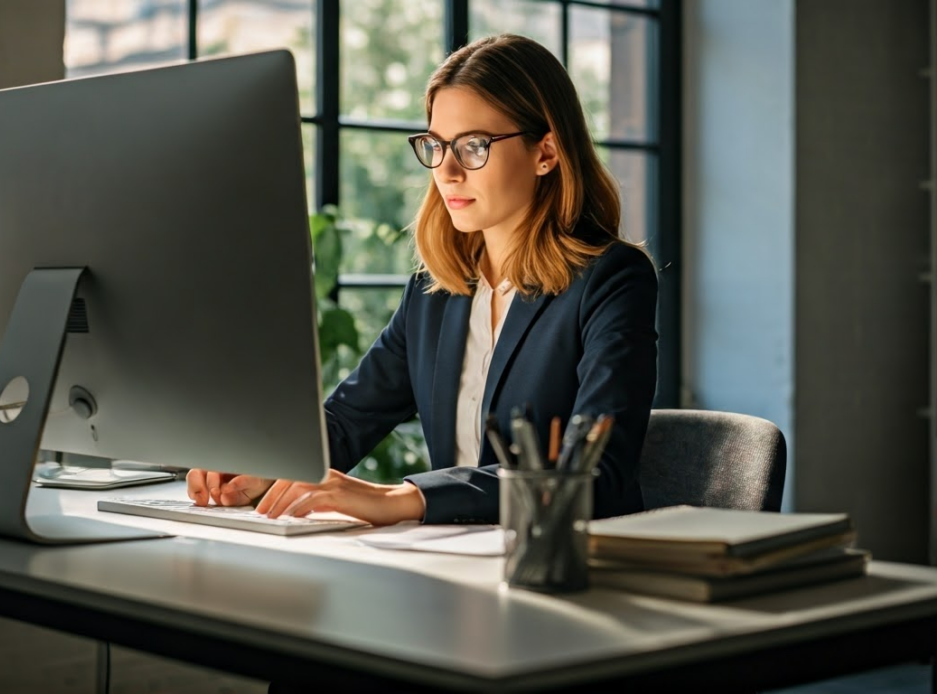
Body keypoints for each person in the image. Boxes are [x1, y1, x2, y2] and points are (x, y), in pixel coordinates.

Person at [187, 33, 658, 526]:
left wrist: (403, 498)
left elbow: (594, 475)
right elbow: (349, 420)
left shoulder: (612, 280)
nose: (448, 171)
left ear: (546, 152)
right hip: (452, 562)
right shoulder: (436, 290)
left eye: (475, 145)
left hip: (569, 566)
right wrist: (262, 464)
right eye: (437, 145)